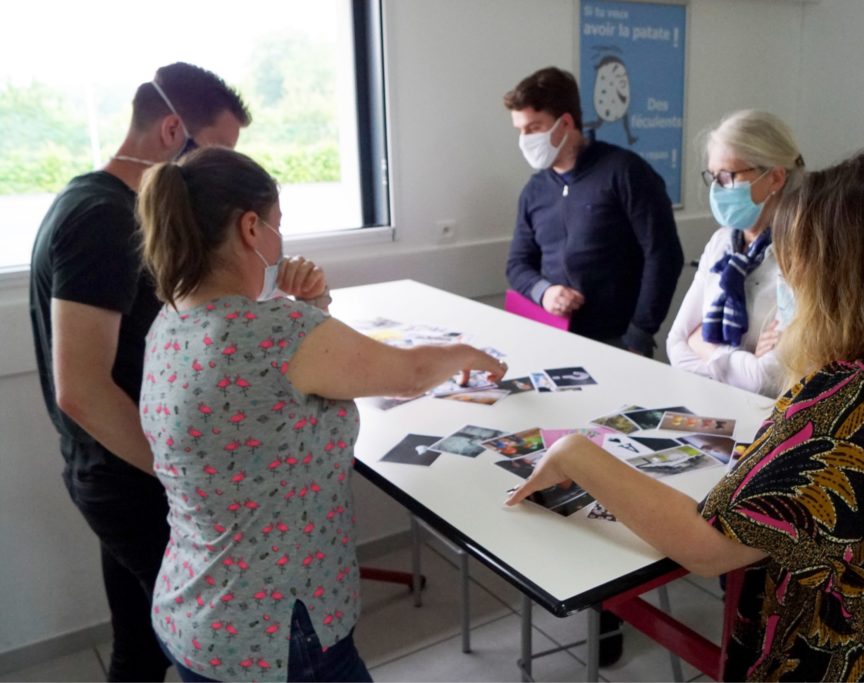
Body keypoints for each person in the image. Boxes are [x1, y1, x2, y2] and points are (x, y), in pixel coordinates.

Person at [507, 150, 864, 681]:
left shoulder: (854, 395)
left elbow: (707, 547)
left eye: (798, 264)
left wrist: (576, 454)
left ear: (841, 275)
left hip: (863, 659)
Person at [136, 146, 506, 682]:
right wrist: (464, 354)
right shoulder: (272, 331)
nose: (282, 240)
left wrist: (313, 305)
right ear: (250, 228)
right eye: (277, 224)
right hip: (277, 631)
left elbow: (281, 401)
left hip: (197, 611)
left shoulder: (169, 323)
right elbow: (407, 374)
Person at [28, 62, 250, 682]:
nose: (219, 178)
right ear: (173, 131)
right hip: (127, 478)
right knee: (216, 641)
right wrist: (181, 475)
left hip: (122, 469)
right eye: (216, 154)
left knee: (143, 643)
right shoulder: (102, 218)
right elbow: (83, 388)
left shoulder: (122, 208)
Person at [504, 66, 683, 357]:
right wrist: (544, 292)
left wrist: (640, 333)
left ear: (564, 123)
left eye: (533, 128)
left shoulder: (625, 172)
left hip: (617, 338)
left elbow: (663, 255)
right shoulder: (534, 190)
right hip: (549, 333)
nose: (524, 139)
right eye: (519, 130)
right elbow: (517, 264)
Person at [666, 110, 804, 396]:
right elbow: (675, 344)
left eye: (728, 176)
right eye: (713, 177)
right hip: (708, 406)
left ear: (775, 178)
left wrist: (703, 346)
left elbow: (767, 378)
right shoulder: (721, 243)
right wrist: (745, 358)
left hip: (764, 420)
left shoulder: (801, 253)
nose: (717, 189)